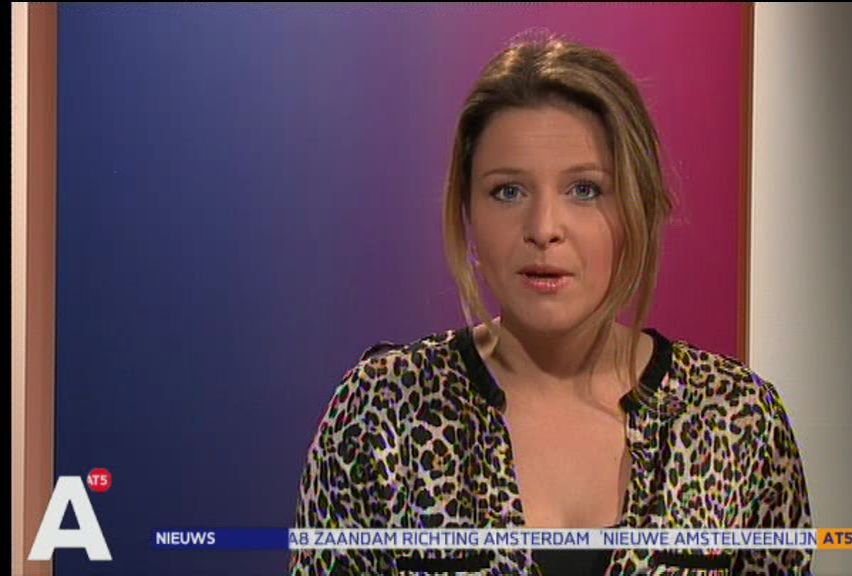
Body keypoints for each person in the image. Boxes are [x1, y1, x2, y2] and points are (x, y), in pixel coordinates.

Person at [289, 31, 813, 576]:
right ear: (467, 209)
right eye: (508, 191)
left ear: (638, 205)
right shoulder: (382, 413)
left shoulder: (735, 418)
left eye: (585, 190)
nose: (543, 229)